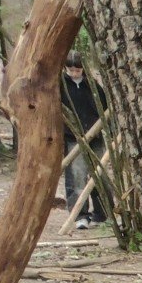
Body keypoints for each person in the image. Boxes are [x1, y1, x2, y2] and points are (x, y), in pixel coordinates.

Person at [60, 51, 105, 227]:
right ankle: (80, 216)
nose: (74, 73)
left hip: (95, 135)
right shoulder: (61, 86)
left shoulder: (92, 86)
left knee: (99, 176)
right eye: (70, 70)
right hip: (73, 137)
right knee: (77, 177)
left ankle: (102, 214)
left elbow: (102, 105)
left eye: (77, 70)